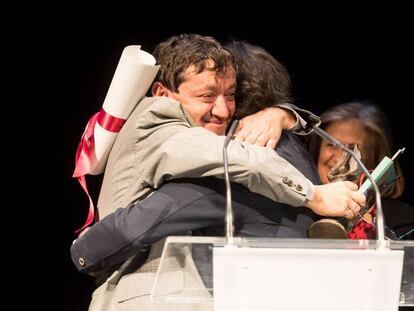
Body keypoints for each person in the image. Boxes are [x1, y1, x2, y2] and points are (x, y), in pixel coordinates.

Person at [74, 35, 365, 310]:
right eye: (207, 95)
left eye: (231, 94)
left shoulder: (271, 142)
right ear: (163, 93)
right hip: (148, 297)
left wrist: (284, 114)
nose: (223, 110)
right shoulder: (158, 120)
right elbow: (234, 162)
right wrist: (315, 195)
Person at [307, 101, 413, 239]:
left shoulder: (405, 222)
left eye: (351, 148)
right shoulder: (298, 214)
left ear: (375, 159)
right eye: (331, 145)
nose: (339, 158)